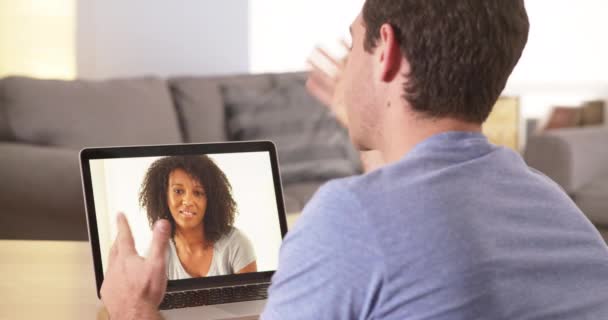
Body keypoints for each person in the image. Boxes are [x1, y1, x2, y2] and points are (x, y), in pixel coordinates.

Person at [100, 1, 608, 319]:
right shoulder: (554, 206)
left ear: (385, 51)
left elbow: (381, 229)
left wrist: (133, 310)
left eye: (354, 42)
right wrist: (372, 120)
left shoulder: (349, 218)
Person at [139, 155, 257, 280]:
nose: (188, 201)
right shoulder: (156, 254)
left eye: (198, 193)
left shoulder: (236, 244)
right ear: (164, 196)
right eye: (178, 191)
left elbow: (251, 298)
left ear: (210, 200)